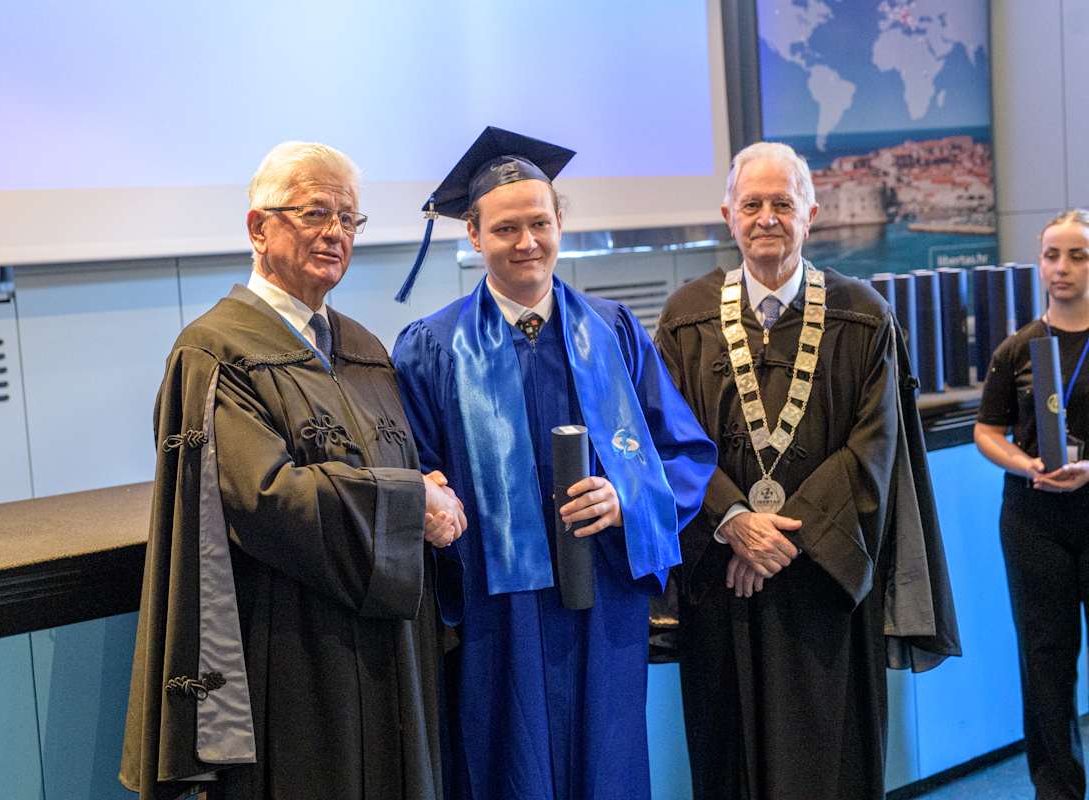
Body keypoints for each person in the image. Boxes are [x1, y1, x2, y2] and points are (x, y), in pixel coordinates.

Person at [119, 141, 465, 800]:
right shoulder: (215, 352)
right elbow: (265, 497)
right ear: (259, 228)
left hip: (389, 651)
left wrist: (430, 495)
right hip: (296, 651)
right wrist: (411, 502)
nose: (336, 232)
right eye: (315, 213)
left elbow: (401, 464)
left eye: (348, 218)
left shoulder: (361, 347)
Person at [391, 126, 717, 800]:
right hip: (497, 613)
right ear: (474, 235)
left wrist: (627, 498)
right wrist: (428, 498)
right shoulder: (432, 348)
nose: (527, 242)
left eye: (539, 223)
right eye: (505, 228)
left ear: (560, 224)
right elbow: (415, 470)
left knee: (609, 766)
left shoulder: (614, 330)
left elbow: (683, 452)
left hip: (604, 601)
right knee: (508, 767)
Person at [655, 141, 960, 800]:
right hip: (723, 583)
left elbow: (876, 448)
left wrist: (778, 541)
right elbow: (668, 440)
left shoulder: (863, 316)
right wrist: (733, 522)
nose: (767, 218)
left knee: (830, 761)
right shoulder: (686, 318)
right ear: (728, 216)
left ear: (811, 214)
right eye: (751, 205)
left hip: (825, 587)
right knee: (728, 763)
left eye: (782, 204)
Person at [974, 209, 1089, 800]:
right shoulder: (1017, 349)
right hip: (1033, 520)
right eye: (1051, 255)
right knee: (1045, 660)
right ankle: (1058, 790)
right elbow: (987, 430)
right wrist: (1026, 464)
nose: (1061, 267)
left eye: (1077, 256)